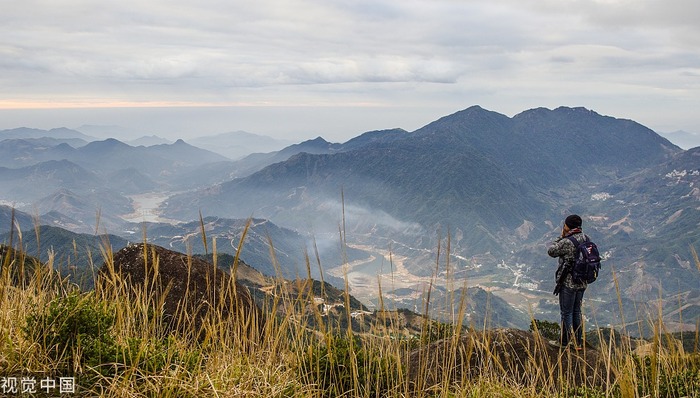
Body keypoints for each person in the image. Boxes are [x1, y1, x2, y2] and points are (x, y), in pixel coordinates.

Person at [547, 214, 588, 350]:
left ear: (567, 226)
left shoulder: (567, 241)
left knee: (566, 312)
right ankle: (578, 342)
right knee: (577, 311)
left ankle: (564, 343)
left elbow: (551, 251)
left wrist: (561, 236)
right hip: (582, 282)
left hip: (569, 283)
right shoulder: (586, 238)